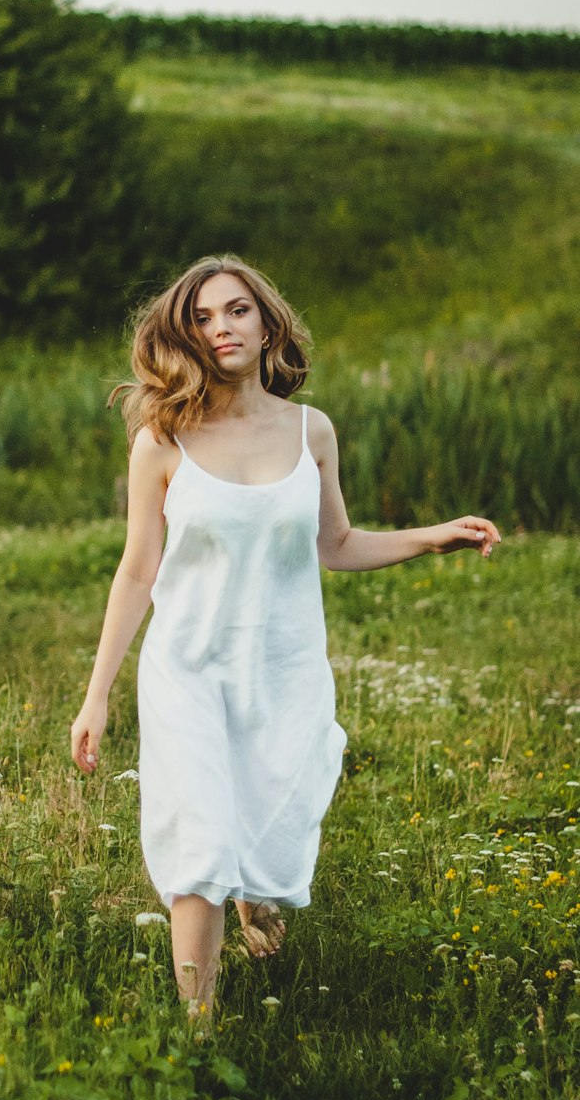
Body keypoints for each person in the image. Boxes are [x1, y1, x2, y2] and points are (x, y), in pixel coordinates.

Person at [69, 254, 500, 1032]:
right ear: (184, 335)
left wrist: (434, 538)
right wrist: (97, 695)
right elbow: (138, 572)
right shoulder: (163, 439)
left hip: (280, 669)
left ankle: (253, 892)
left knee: (268, 819)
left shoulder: (312, 431)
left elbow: (335, 543)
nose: (220, 328)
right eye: (201, 318)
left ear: (267, 323)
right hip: (187, 669)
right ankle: (196, 1035)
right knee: (199, 840)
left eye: (236, 311)